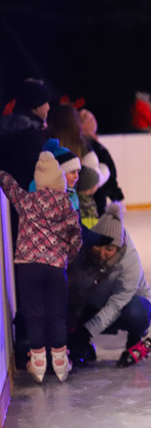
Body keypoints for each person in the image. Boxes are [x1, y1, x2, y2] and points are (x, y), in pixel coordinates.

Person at [1, 152, 82, 383]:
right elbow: (76, 235)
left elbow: (10, 186)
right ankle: (59, 361)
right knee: (56, 314)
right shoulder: (66, 203)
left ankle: (37, 363)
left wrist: (2, 175)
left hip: (28, 267)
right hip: (55, 267)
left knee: (34, 315)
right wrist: (69, 255)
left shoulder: (27, 201)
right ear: (59, 181)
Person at [67, 204, 151, 368]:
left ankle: (135, 338)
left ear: (119, 247)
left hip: (127, 305)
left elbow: (115, 305)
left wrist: (87, 332)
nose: (102, 253)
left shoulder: (130, 263)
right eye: (99, 246)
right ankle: (82, 348)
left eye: (109, 249)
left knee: (137, 314)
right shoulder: (85, 248)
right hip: (95, 301)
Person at [79, 108, 125, 216]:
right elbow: (108, 170)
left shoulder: (91, 144)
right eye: (89, 120)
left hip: (95, 190)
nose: (93, 122)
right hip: (94, 192)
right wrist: (117, 195)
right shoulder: (91, 146)